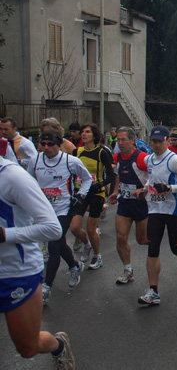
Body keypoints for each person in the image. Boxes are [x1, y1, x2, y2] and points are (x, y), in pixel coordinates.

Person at [0, 155, 75, 369]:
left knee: (27, 347)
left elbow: (52, 229)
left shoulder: (12, 177)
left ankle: (58, 345)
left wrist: (5, 235)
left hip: (15, 272)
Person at [28, 129, 91, 304]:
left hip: (64, 209)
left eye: (51, 144)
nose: (46, 148)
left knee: (53, 244)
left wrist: (80, 196)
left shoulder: (71, 161)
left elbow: (87, 179)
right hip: (44, 210)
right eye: (43, 144)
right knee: (60, 243)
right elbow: (29, 182)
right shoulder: (35, 160)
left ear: (59, 145)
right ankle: (74, 266)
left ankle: (46, 288)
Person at [137, 125, 177, 305]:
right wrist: (144, 189)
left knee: (175, 247)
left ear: (167, 141)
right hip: (155, 209)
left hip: (173, 210)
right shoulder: (148, 159)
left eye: (160, 141)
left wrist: (169, 188)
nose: (156, 144)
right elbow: (151, 179)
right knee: (152, 248)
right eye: (153, 141)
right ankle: (153, 291)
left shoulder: (174, 160)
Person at [69, 123, 115, 270]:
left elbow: (112, 175)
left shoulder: (102, 152)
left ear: (94, 135)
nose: (84, 134)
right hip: (80, 192)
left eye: (87, 132)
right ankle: (87, 244)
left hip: (96, 193)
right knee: (74, 227)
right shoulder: (77, 152)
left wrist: (100, 185)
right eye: (82, 132)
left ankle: (97, 256)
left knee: (91, 228)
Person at [106, 127, 150, 284]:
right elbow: (119, 174)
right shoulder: (117, 156)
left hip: (141, 204)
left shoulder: (142, 158)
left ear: (133, 140)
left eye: (123, 139)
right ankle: (128, 270)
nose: (120, 143)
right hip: (124, 202)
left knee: (142, 240)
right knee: (120, 237)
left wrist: (143, 189)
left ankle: (159, 247)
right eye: (118, 140)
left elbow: (155, 174)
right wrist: (115, 191)